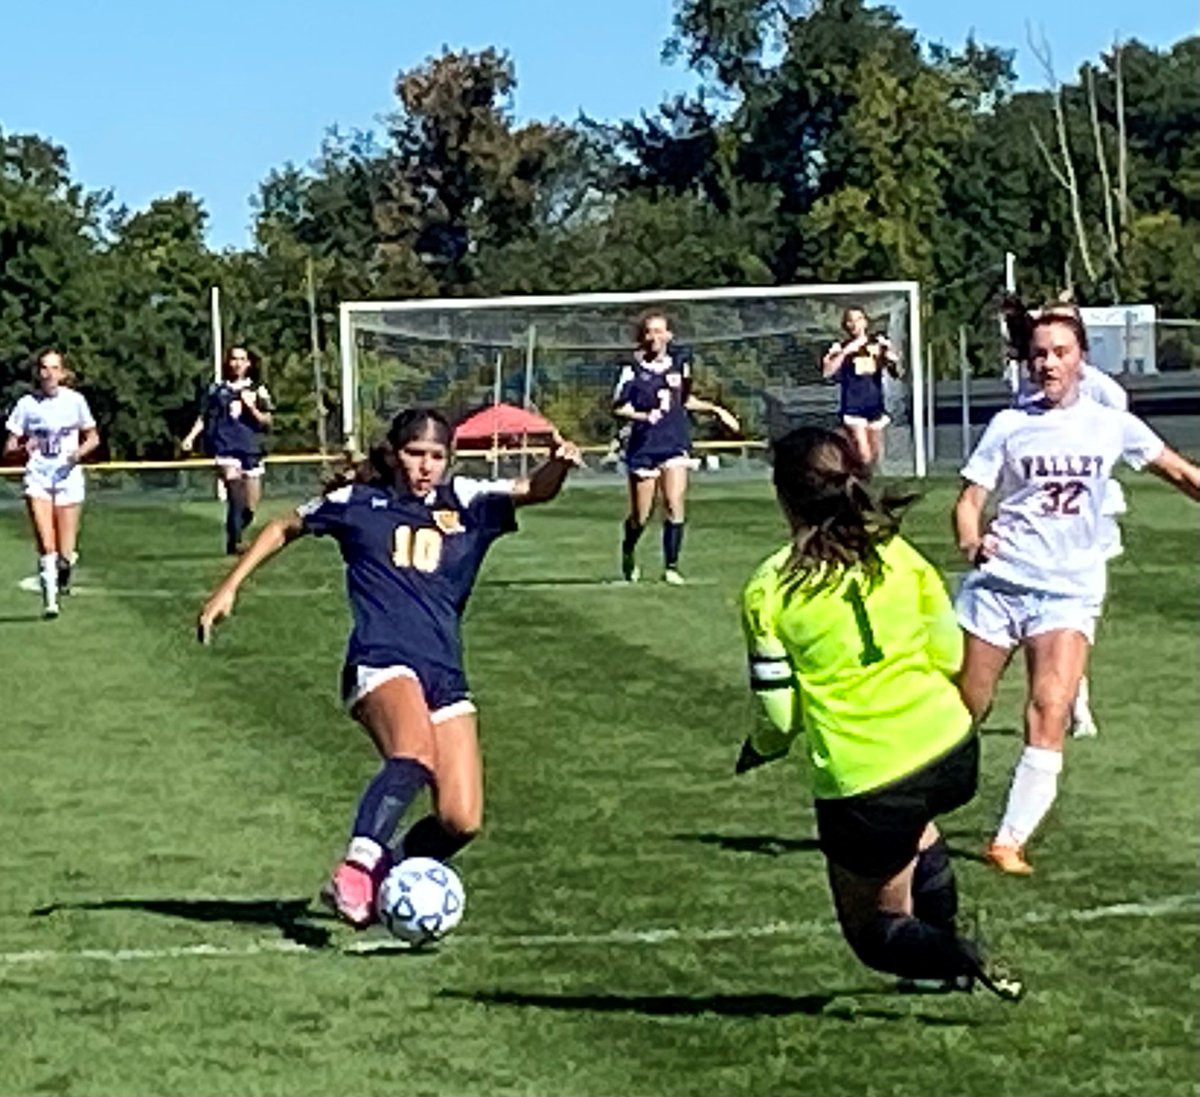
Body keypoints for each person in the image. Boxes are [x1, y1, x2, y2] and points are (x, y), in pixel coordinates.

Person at [197, 407, 581, 928]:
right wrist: (229, 587)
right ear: (395, 454)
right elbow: (286, 524)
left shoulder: (465, 501)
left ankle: (386, 878)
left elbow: (534, 489)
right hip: (380, 659)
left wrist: (559, 463)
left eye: (436, 456)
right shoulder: (359, 503)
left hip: (444, 669)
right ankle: (355, 871)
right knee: (413, 753)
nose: (426, 466)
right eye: (415, 453)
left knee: (461, 819)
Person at [736, 426, 1022, 1001]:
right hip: (950, 748)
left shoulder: (769, 590)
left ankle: (963, 957)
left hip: (866, 778)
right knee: (916, 823)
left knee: (872, 935)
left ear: (783, 495)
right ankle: (951, 959)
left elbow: (777, 711)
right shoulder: (897, 552)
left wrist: (760, 748)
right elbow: (947, 652)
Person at [954, 312, 1200, 876]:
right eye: (1040, 354)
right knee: (966, 707)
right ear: (1029, 361)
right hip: (1000, 584)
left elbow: (1182, 475)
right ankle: (914, 803)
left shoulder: (1111, 423)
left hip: (1068, 591)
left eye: (1061, 352)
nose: (1049, 363)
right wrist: (971, 541)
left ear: (1081, 358)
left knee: (1051, 707)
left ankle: (1008, 841)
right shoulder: (1009, 424)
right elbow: (969, 500)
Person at [1001, 296, 1129, 738]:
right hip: (1039, 518)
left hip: (1088, 517)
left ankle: (1076, 699)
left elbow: (1117, 437)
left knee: (1075, 611)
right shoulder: (1029, 386)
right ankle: (1059, 696)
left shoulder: (1102, 391)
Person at [613, 311, 739, 584]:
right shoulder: (631, 370)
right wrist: (644, 416)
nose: (655, 337)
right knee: (641, 515)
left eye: (660, 331)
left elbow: (683, 400)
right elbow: (619, 407)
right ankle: (628, 551)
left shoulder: (680, 365)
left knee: (674, 503)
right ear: (642, 337)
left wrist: (716, 409)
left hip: (674, 443)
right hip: (644, 447)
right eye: (650, 332)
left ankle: (671, 566)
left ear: (669, 335)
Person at [3, 348, 101, 618]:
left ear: (63, 372)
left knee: (64, 553)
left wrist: (78, 453)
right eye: (44, 368)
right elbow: (9, 447)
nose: (49, 374)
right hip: (38, 478)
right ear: (38, 372)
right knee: (47, 544)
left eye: (54, 368)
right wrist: (24, 447)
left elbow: (93, 437)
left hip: (68, 478)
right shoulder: (26, 405)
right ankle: (50, 602)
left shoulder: (75, 401)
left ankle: (65, 567)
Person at [181, 346, 273, 555]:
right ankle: (236, 543)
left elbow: (267, 422)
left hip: (250, 449)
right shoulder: (217, 390)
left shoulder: (258, 390)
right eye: (233, 359)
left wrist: (252, 408)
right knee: (235, 492)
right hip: (225, 447)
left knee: (249, 507)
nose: (237, 363)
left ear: (248, 363)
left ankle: (236, 531)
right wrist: (190, 437)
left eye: (242, 359)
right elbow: (204, 417)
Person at [822, 306, 903, 469]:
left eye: (858, 319)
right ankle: (856, 484)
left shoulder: (878, 344)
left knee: (874, 454)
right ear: (846, 325)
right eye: (850, 320)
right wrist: (844, 352)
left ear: (865, 322)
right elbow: (827, 373)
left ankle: (861, 482)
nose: (854, 324)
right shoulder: (841, 347)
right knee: (863, 453)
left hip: (874, 405)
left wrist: (892, 359)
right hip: (853, 406)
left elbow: (897, 373)